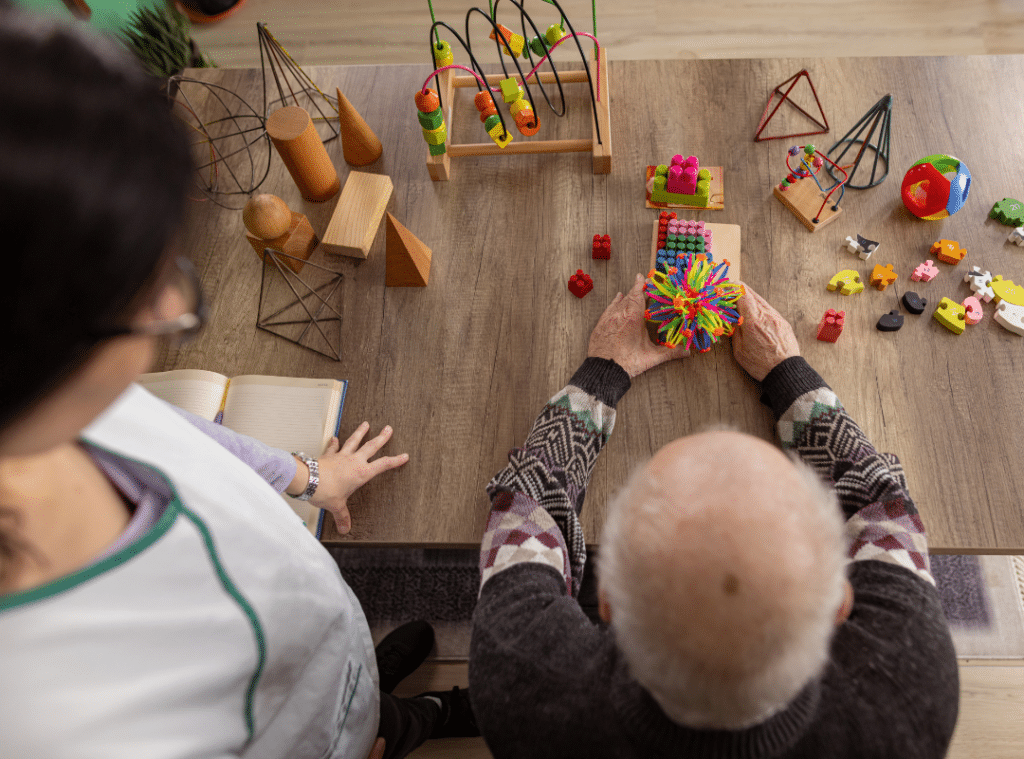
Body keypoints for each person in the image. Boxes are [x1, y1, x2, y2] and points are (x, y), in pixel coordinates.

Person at [0, 10, 475, 759]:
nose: (170, 309)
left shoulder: (66, 403)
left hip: (323, 661)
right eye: (152, 287)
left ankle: (384, 705)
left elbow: (188, 437)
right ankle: (398, 727)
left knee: (370, 703)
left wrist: (310, 475)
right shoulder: (51, 725)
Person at [469, 276, 960, 758]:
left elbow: (525, 501)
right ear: (841, 603)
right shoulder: (913, 688)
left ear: (606, 601)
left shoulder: (518, 676)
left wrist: (604, 371)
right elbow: (883, 504)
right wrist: (786, 372)